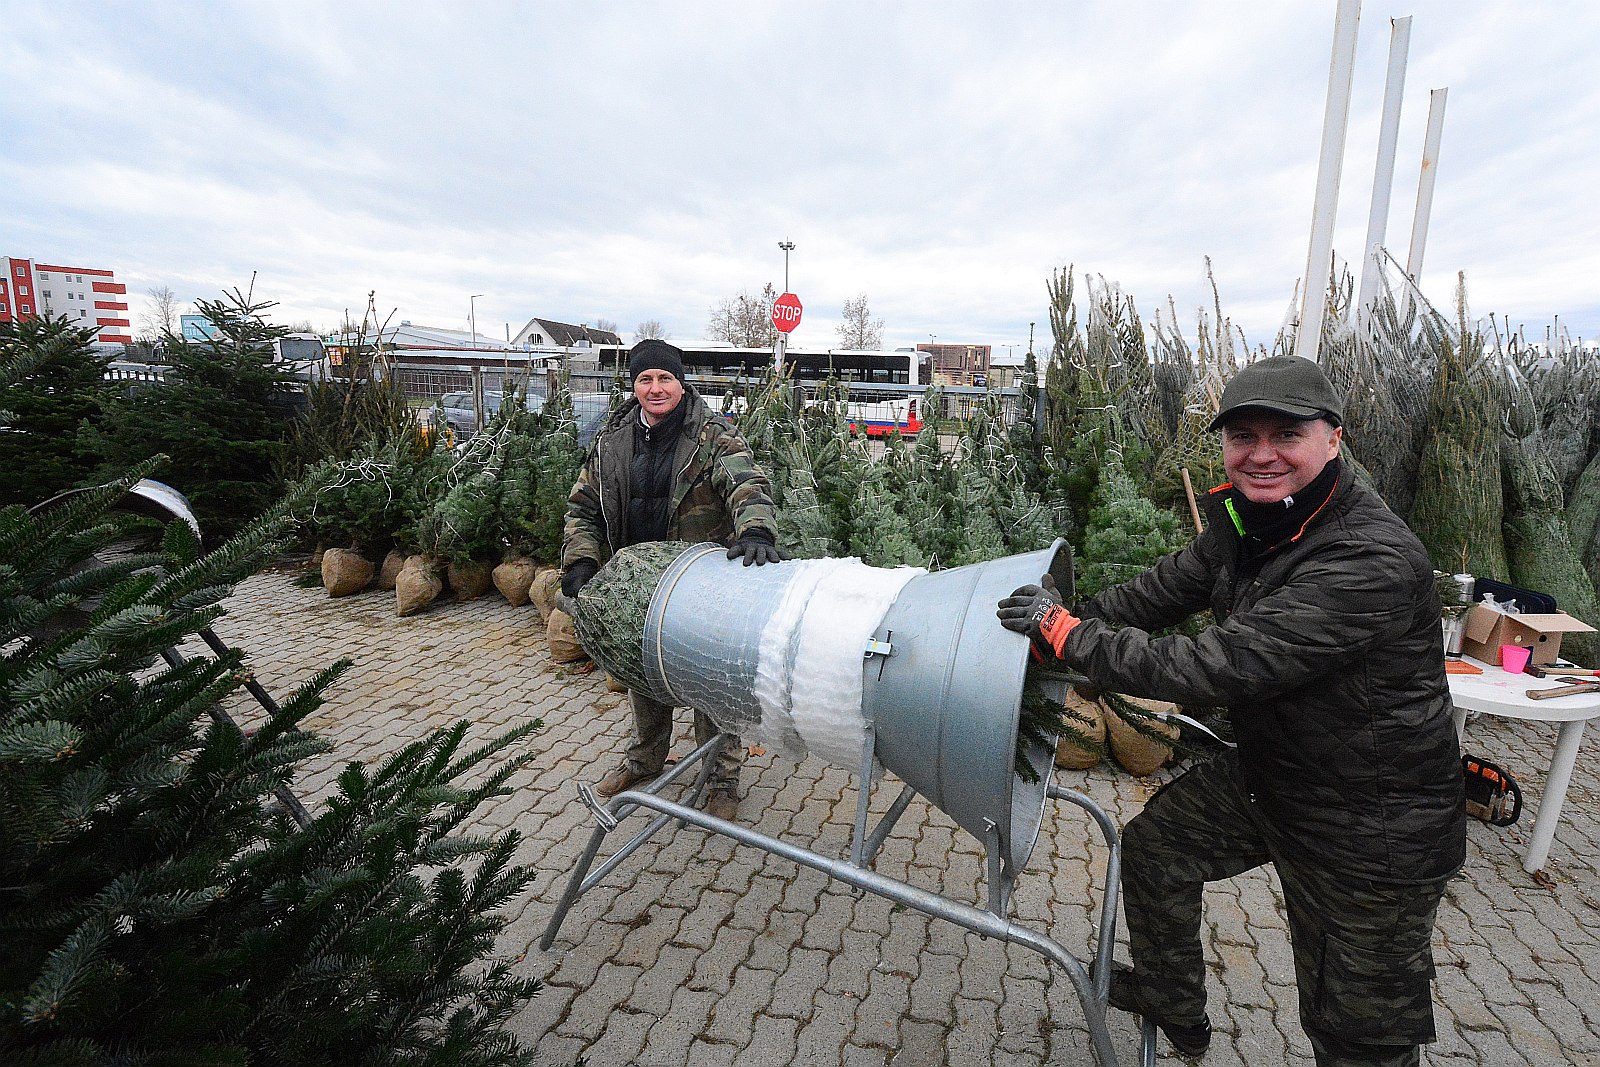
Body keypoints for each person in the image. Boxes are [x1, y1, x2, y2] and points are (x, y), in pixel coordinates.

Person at [998, 355, 1465, 1065]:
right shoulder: (1249, 524)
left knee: (1355, 1036)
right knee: (1157, 849)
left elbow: (1222, 665)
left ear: (1333, 438)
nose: (1262, 453)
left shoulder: (1370, 558)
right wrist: (1059, 635)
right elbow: (1156, 595)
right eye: (1243, 435)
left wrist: (1068, 634)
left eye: (1286, 433)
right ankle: (1172, 1000)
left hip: (1371, 829)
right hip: (1278, 778)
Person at [562, 339, 781, 821]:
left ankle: (722, 777)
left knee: (709, 684)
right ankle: (644, 761)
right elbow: (582, 509)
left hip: (700, 589)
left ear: (680, 382)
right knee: (644, 675)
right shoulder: (612, 441)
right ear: (634, 385)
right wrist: (580, 561)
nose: (655, 388)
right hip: (638, 586)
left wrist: (757, 528)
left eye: (665, 378)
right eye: (645, 379)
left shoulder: (711, 434)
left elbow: (746, 483)